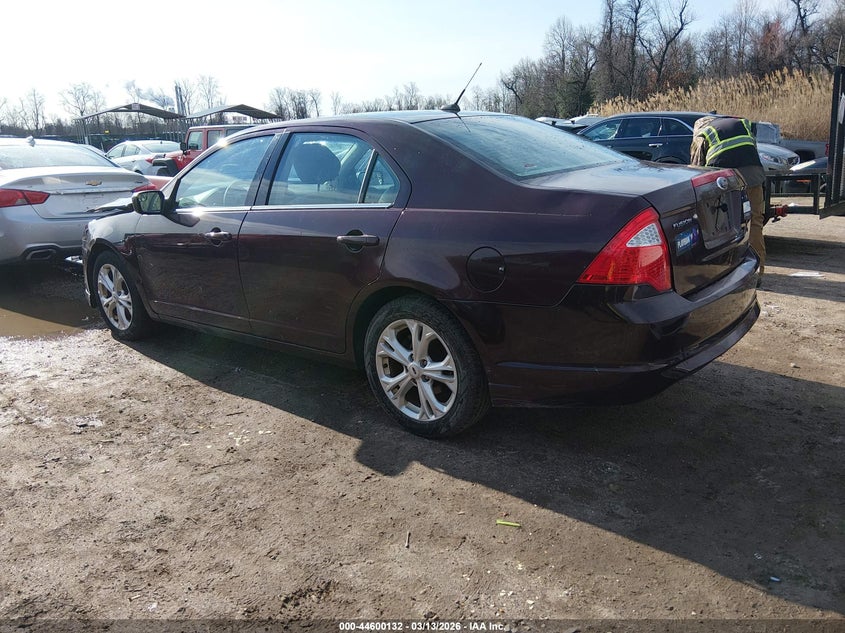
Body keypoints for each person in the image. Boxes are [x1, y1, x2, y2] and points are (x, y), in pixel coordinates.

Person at [690, 115, 766, 283]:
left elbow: (696, 169)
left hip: (727, 181)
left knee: (720, 226)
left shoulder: (704, 135)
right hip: (754, 177)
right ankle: (756, 272)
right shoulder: (742, 124)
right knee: (754, 223)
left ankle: (723, 270)